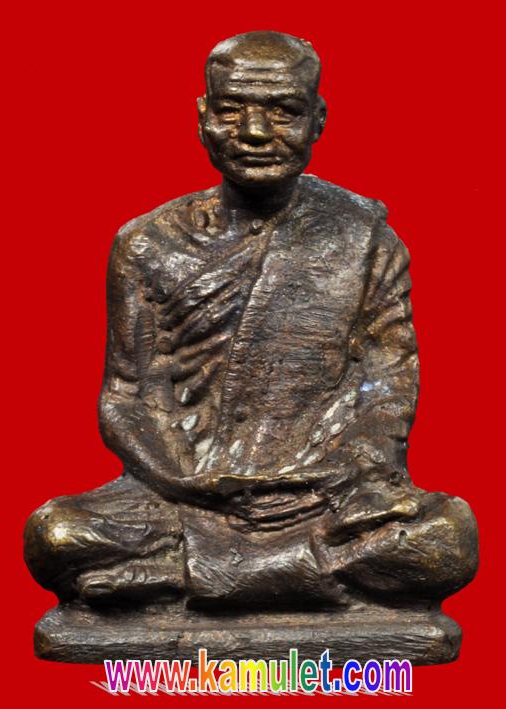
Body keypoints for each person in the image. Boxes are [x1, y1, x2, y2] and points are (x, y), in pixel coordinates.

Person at [24, 31, 478, 608]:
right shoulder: (147, 244)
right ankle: (297, 574)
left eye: (283, 111)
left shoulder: (363, 238)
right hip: (188, 495)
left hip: (321, 493)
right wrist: (185, 482)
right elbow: (127, 395)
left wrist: (343, 472)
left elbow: (387, 385)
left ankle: (178, 577)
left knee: (448, 537)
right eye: (231, 110)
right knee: (55, 534)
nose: (256, 132)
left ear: (317, 120)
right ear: (202, 118)